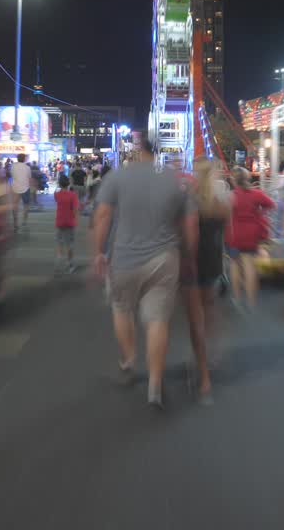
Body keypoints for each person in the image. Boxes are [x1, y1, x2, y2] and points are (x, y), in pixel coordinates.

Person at [92, 132, 198, 410]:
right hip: (164, 259)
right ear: (158, 151)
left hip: (124, 258)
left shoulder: (116, 177)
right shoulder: (175, 179)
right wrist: (188, 256)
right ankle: (154, 385)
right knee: (157, 320)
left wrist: (99, 252)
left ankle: (128, 362)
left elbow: (102, 216)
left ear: (137, 151)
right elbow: (190, 225)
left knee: (122, 309)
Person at [187, 158, 230, 402]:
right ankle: (212, 352)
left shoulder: (191, 200)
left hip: (193, 263)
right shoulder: (220, 203)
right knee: (209, 308)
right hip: (213, 261)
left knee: (195, 318)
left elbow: (190, 235)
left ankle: (202, 374)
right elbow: (226, 231)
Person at [225, 166, 274, 311]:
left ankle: (237, 299)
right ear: (247, 178)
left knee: (234, 264)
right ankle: (251, 302)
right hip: (251, 234)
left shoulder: (230, 196)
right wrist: (259, 213)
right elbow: (272, 205)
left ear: (233, 180)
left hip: (233, 234)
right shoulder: (256, 194)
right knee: (249, 266)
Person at [54, 175, 80, 274]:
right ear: (68, 184)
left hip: (59, 221)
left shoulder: (57, 194)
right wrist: (76, 220)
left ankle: (59, 261)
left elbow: (56, 195)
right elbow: (75, 210)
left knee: (60, 243)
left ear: (60, 184)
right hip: (70, 222)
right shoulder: (73, 195)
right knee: (69, 244)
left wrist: (58, 186)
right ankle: (70, 264)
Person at [10, 153, 32, 231]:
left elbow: (12, 176)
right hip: (25, 188)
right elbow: (29, 178)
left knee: (15, 205)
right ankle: (24, 221)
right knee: (26, 205)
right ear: (24, 159)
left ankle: (15, 222)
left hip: (15, 187)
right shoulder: (27, 168)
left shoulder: (13, 166)